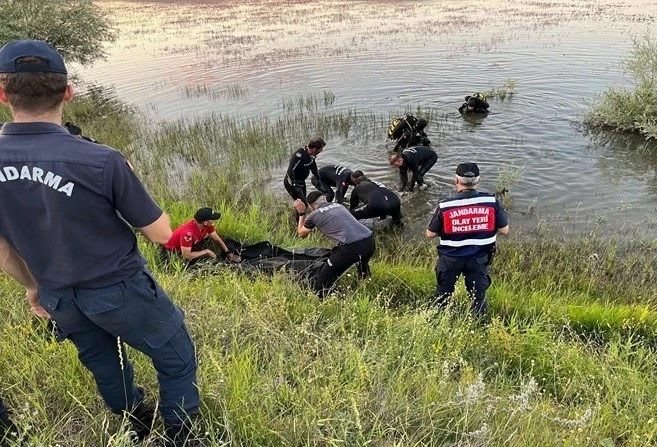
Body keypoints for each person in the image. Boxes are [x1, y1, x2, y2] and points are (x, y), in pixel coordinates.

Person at [0, 40, 201, 446]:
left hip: (57, 295)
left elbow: (3, 248)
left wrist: (33, 287)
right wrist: (129, 174)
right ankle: (183, 436)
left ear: (2, 94)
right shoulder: (101, 160)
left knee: (104, 364)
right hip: (118, 290)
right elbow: (161, 233)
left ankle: (136, 423)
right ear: (68, 92)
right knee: (176, 358)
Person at [425, 163, 509, 317]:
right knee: (478, 297)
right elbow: (504, 230)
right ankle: (479, 325)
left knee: (443, 293)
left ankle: (436, 321)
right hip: (479, 258)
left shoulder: (445, 205)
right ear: (478, 180)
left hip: (450, 259)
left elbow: (430, 234)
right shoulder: (491, 201)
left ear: (456, 180)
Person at [294, 191, 376, 298]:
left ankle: (327, 299)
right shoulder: (339, 206)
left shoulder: (313, 215)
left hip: (351, 248)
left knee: (325, 277)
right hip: (369, 241)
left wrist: (301, 213)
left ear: (310, 206)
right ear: (325, 199)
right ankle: (366, 290)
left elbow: (301, 234)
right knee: (362, 266)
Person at [162, 206, 240, 265]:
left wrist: (229, 253)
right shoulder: (188, 233)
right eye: (212, 220)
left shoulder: (207, 225)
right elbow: (186, 256)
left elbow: (217, 239)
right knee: (202, 262)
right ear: (205, 222)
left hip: (188, 246)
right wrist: (207, 252)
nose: (213, 222)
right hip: (172, 252)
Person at [283, 137, 325, 219]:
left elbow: (313, 166)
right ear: (314, 149)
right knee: (303, 205)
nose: (321, 152)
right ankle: (299, 224)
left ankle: (299, 218)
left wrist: (318, 178)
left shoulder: (311, 155)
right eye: (320, 150)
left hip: (301, 182)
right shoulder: (299, 156)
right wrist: (294, 186)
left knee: (304, 203)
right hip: (292, 183)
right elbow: (290, 172)